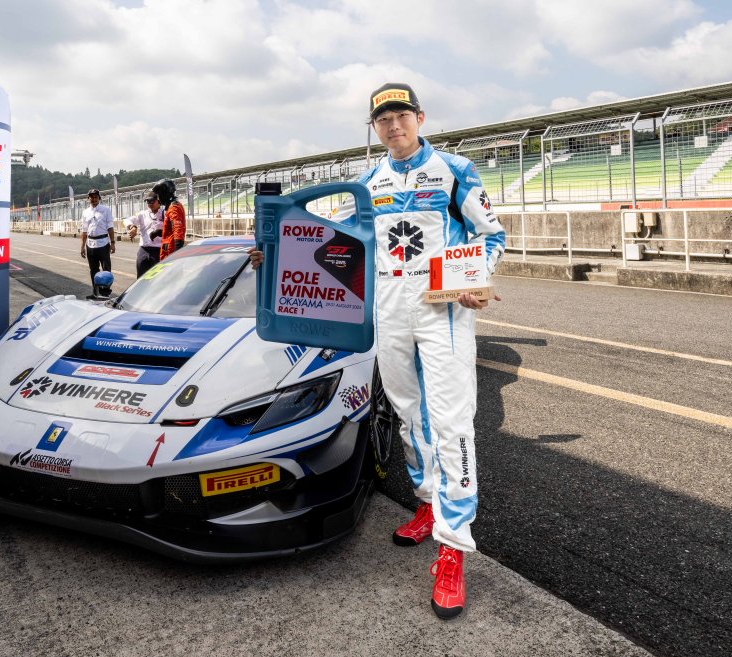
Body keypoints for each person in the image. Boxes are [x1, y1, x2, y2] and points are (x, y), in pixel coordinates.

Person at [249, 83, 506, 619]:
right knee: (408, 414)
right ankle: (428, 503)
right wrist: (274, 254)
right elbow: (334, 245)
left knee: (452, 422)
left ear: (420, 118)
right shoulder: (368, 183)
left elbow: (491, 235)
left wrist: (476, 278)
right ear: (374, 127)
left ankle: (453, 549)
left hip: (442, 309)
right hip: (388, 307)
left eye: (401, 115)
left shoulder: (455, 170)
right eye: (383, 119)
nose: (394, 125)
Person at [124, 192, 164, 277]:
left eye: (152, 201)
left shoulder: (165, 214)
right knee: (141, 277)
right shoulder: (142, 214)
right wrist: (133, 227)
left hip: (159, 250)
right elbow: (127, 220)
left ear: (159, 201)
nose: (150, 204)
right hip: (144, 250)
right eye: (147, 201)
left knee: (158, 278)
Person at [79, 188, 115, 282]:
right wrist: (82, 247)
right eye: (92, 197)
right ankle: (96, 289)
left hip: (103, 244)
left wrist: (112, 243)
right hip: (90, 245)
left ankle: (106, 289)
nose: (94, 199)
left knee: (106, 270)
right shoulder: (85, 212)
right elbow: (84, 231)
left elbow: (110, 227)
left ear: (99, 198)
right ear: (88, 199)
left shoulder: (106, 210)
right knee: (93, 270)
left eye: (96, 197)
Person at [152, 179, 185, 260]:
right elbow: (171, 231)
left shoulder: (174, 208)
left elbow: (178, 230)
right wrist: (159, 232)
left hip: (170, 254)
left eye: (159, 195)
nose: (158, 199)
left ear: (164, 194)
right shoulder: (172, 207)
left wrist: (176, 255)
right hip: (168, 252)